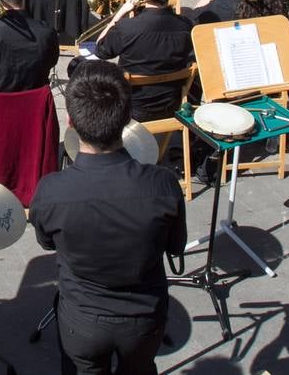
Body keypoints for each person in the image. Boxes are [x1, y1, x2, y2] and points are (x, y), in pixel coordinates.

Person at [29, 62, 187, 375]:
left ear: (71, 122)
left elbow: (46, 242)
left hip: (82, 321)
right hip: (144, 319)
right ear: (128, 119)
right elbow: (175, 245)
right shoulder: (163, 184)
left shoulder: (51, 190)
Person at [94, 0, 193, 122]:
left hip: (131, 108)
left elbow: (100, 50)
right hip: (171, 105)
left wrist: (120, 13)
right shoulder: (187, 26)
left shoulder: (126, 28)